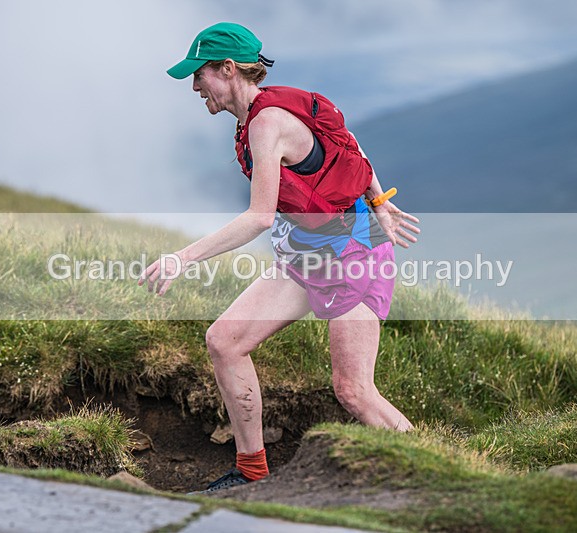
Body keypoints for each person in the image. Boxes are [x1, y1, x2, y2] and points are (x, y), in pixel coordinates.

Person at [139, 22, 420, 494]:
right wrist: (376, 195)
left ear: (228, 69)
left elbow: (259, 218)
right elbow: (348, 140)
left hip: (355, 254)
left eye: (199, 74)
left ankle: (432, 475)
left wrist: (182, 258)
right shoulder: (269, 111)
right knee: (225, 341)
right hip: (310, 256)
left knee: (353, 391)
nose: (194, 86)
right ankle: (251, 473)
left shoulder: (267, 124)